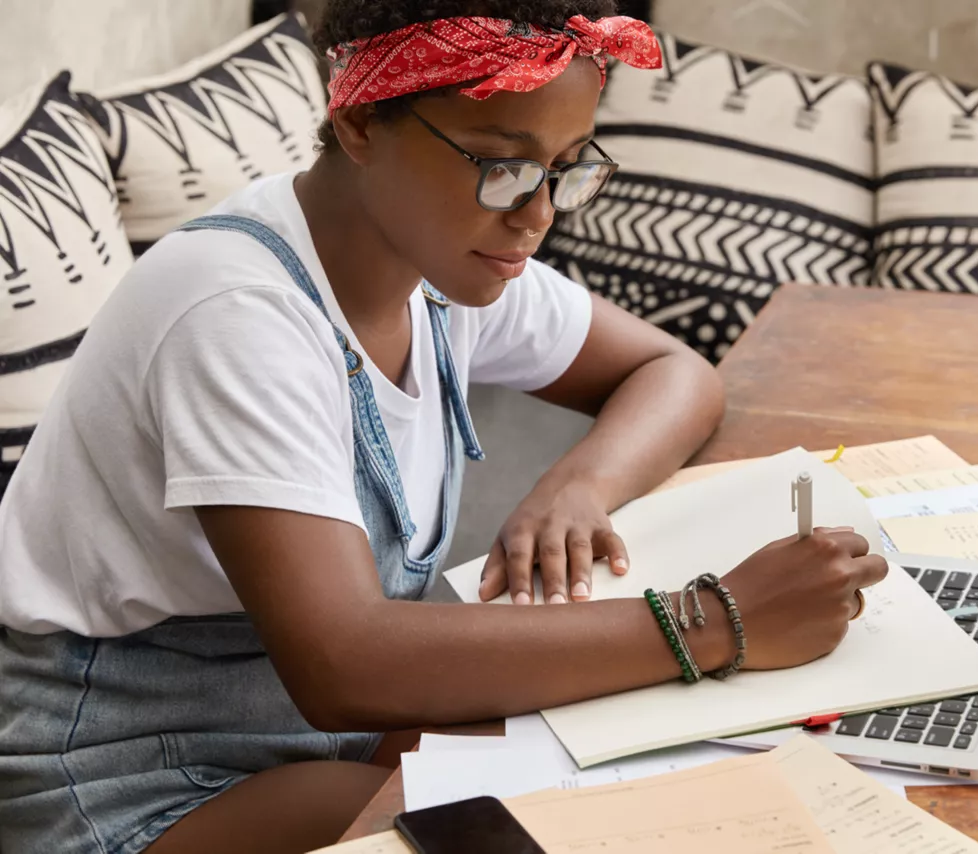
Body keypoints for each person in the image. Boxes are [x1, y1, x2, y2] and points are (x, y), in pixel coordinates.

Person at [0, 2, 888, 852]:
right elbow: (346, 661)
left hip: (316, 729)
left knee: (659, 777)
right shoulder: (236, 312)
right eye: (500, 165)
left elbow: (673, 373)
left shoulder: (440, 263)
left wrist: (577, 486)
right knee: (546, 829)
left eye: (567, 167)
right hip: (124, 778)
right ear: (358, 125)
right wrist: (714, 621)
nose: (536, 214)